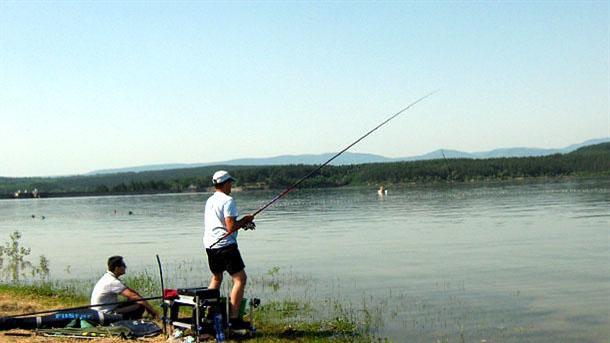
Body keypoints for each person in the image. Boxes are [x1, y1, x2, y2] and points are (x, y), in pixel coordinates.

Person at [203, 170, 254, 330]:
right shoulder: (228, 200)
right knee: (240, 279)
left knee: (217, 277)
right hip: (225, 246)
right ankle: (233, 318)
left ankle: (208, 313)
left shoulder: (210, 200)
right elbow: (230, 227)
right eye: (230, 182)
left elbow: (222, 225)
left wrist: (242, 223)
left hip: (210, 245)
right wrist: (245, 220)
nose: (231, 185)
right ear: (225, 183)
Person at [90, 256, 159, 320]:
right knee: (140, 306)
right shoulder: (112, 282)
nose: (125, 267)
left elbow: (133, 293)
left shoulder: (108, 277)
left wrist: (144, 304)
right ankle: (133, 323)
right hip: (105, 314)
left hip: (100, 311)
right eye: (123, 265)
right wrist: (153, 311)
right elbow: (135, 296)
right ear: (117, 268)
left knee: (133, 300)